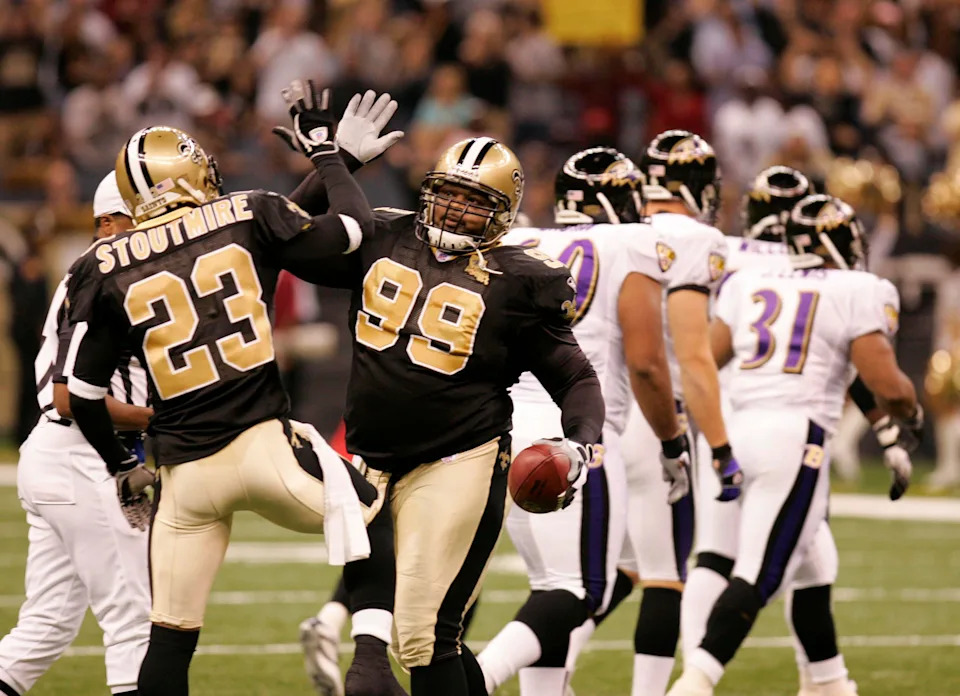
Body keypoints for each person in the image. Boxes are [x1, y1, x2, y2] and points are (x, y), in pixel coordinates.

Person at [63, 82, 400, 696]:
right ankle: (371, 666)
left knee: (170, 637)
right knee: (377, 517)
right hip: (264, 448)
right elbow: (353, 228)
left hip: (185, 475)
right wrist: (330, 157)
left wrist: (121, 466)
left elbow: (83, 394)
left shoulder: (102, 265)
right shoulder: (247, 212)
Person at [285, 132, 606, 696]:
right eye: (449, 193)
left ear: (501, 214)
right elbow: (285, 235)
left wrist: (580, 441)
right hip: (372, 458)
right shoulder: (384, 234)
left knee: (423, 635)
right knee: (414, 638)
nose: (455, 209)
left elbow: (574, 376)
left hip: (460, 458)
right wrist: (338, 162)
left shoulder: (523, 278)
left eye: (474, 200)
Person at [476, 143, 736, 696]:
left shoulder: (524, 240)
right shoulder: (633, 243)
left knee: (552, 585)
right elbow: (646, 363)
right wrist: (672, 442)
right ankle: (476, 679)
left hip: (503, 426)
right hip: (580, 432)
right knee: (582, 589)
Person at [667, 194, 922, 696]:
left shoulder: (750, 283)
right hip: (794, 438)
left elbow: (706, 361)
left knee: (814, 560)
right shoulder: (857, 288)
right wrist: (909, 414)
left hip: (739, 428)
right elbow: (887, 385)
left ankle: (829, 683)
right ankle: (695, 682)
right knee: (757, 574)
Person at [0, 172, 152, 696]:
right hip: (84, 454)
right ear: (108, 223)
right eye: (144, 220)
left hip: (58, 453)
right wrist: (155, 418)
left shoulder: (98, 271)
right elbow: (71, 396)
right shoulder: (104, 273)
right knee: (135, 619)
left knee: (45, 626)